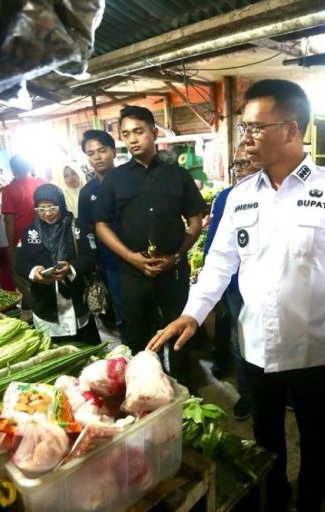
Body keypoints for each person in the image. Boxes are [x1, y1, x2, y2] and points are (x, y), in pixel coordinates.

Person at [148, 79, 325, 511]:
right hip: (255, 343)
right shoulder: (238, 196)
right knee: (266, 434)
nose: (246, 138)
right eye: (245, 127)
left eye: (256, 128)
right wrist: (193, 314)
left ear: (291, 130)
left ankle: (310, 500)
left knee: (315, 434)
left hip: (314, 345)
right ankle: (275, 498)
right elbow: (219, 264)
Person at [94, 105, 204, 388]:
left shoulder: (177, 175)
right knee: (137, 336)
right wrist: (132, 258)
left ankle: (183, 390)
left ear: (154, 133)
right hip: (132, 272)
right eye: (126, 134)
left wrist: (177, 256)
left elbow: (195, 220)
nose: (132, 140)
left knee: (178, 332)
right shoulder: (115, 180)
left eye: (139, 132)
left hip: (173, 270)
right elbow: (101, 225)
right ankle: (144, 390)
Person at [203, 144, 260, 421]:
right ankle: (248, 395)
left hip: (273, 288)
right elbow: (212, 246)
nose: (239, 171)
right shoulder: (225, 198)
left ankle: (280, 392)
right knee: (241, 343)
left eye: (245, 163)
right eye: (236, 165)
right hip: (236, 287)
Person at [16, 184, 100, 344]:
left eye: (52, 208)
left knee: (86, 347)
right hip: (45, 304)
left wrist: (71, 268)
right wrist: (35, 272)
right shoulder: (29, 232)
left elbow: (90, 256)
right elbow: (21, 263)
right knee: (52, 349)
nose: (47, 214)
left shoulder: (78, 227)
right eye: (41, 209)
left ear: (60, 204)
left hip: (77, 300)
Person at [78, 129, 126, 340]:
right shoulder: (87, 193)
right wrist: (92, 261)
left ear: (113, 152)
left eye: (101, 150)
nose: (96, 157)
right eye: (90, 153)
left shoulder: (130, 181)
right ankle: (131, 352)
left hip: (140, 256)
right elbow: (86, 228)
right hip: (109, 262)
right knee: (121, 310)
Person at [2, 155, 44, 314]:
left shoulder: (8, 190)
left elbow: (9, 220)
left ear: (12, 170)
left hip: (22, 241)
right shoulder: (42, 183)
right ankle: (37, 305)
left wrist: (11, 247)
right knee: (43, 272)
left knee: (21, 276)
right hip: (45, 238)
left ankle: (35, 306)